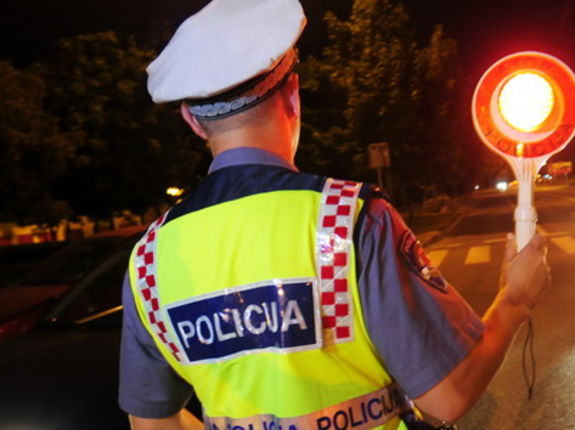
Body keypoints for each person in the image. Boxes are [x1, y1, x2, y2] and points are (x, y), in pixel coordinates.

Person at [118, 1, 551, 429]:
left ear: (192, 121)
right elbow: (450, 395)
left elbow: (152, 423)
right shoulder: (350, 220)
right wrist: (514, 301)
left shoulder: (149, 262)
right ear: (292, 94)